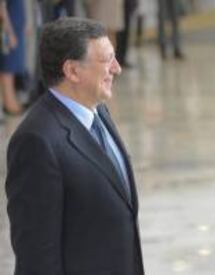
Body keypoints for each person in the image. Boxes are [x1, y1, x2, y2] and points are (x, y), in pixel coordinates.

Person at [5, 17, 145, 274]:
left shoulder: (98, 111)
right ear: (72, 71)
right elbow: (37, 257)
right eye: (106, 59)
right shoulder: (36, 141)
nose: (117, 68)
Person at [0, 0, 26, 115]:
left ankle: (10, 101)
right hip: (9, 31)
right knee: (8, 67)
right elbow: (2, 8)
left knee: (12, 66)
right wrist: (9, 32)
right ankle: (9, 103)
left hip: (16, 29)